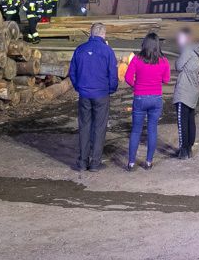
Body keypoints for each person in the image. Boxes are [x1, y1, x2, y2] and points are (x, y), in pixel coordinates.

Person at [69, 23, 119, 172]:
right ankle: (95, 162)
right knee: (99, 127)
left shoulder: (80, 49)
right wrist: (110, 90)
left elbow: (73, 72)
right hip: (101, 94)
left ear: (90, 34)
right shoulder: (108, 51)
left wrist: (79, 87)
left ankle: (83, 162)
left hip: (84, 94)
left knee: (84, 127)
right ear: (103, 35)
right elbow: (113, 75)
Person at [124, 32, 171, 171]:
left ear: (144, 44)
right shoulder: (164, 61)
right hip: (156, 99)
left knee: (136, 131)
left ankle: (131, 163)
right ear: (157, 45)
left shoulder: (137, 60)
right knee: (152, 130)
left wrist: (137, 86)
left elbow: (128, 78)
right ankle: (148, 162)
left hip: (140, 98)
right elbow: (166, 80)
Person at [172, 28, 199, 159]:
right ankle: (189, 148)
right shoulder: (197, 51)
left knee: (182, 120)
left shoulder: (188, 50)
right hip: (193, 90)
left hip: (184, 90)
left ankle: (183, 150)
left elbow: (178, 65)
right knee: (190, 119)